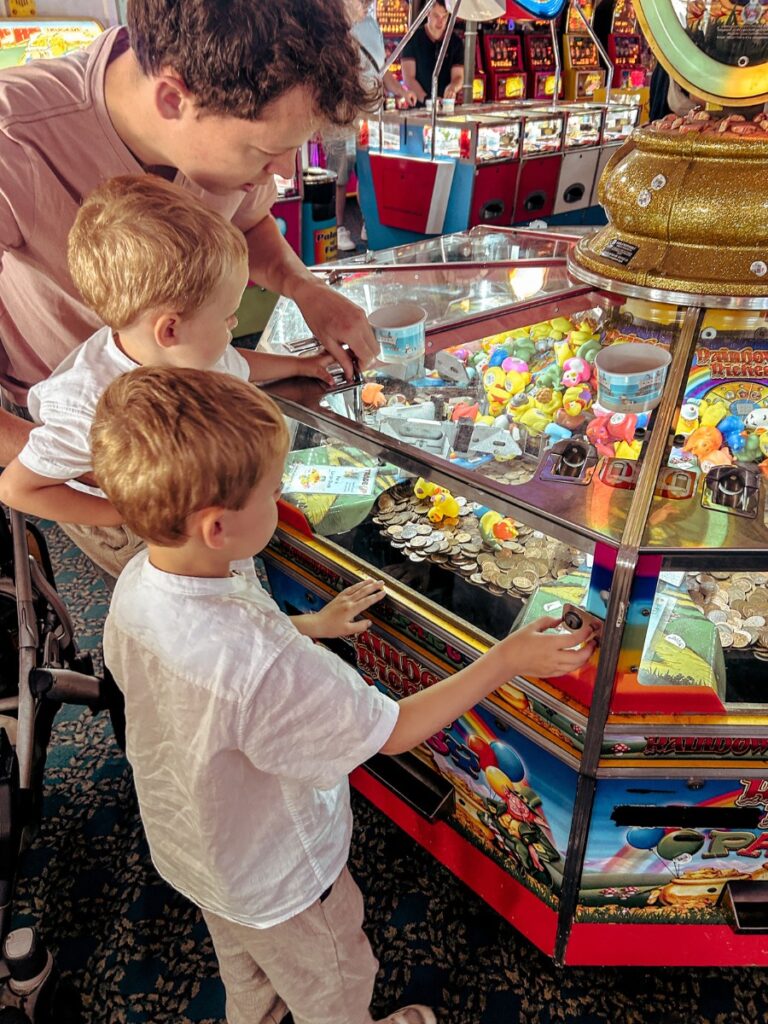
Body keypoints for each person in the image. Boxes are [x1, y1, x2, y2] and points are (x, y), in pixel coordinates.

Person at [93, 364, 597, 1024]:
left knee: (245, 974)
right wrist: (504, 658)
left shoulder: (138, 581)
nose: (281, 500)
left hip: (194, 849)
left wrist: (309, 625)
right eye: (273, 492)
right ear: (217, 528)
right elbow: (390, 731)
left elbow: (204, 666)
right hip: (281, 880)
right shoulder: (265, 666)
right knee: (334, 982)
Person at [0, 0, 380, 469]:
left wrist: (304, 288)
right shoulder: (14, 137)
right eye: (266, 152)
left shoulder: (232, 129)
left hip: (194, 393)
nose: (283, 172)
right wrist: (79, 468)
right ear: (173, 100)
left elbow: (248, 220)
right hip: (76, 430)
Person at [0, 175, 334, 579]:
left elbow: (231, 359)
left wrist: (298, 365)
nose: (233, 322)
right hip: (133, 528)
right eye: (228, 314)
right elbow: (18, 487)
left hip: (191, 502)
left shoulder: (186, 346)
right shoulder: (88, 405)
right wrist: (119, 512)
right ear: (170, 329)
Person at [327, 0, 417, 252]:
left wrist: (400, 91)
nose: (367, 4)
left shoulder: (372, 24)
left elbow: (382, 68)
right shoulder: (336, 22)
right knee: (340, 169)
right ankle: (338, 226)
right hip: (343, 107)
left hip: (372, 109)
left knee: (369, 167)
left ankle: (369, 220)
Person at [401, 1, 464, 107]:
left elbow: (458, 76)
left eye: (444, 17)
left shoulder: (455, 42)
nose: (441, 21)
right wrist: (427, 99)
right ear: (427, 13)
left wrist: (453, 87)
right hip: (418, 107)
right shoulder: (412, 39)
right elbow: (408, 78)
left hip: (446, 107)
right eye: (436, 16)